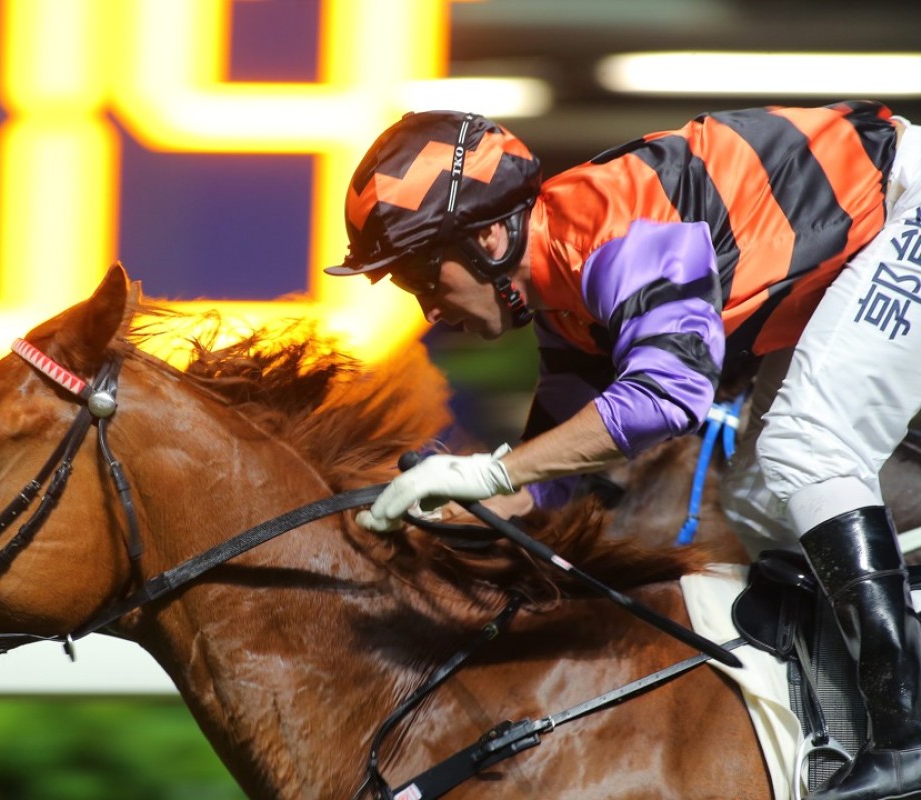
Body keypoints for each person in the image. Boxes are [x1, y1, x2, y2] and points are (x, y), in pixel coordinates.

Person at [326, 103, 921, 800]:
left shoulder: (613, 230)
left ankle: (906, 731)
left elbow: (670, 396)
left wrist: (489, 467)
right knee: (760, 496)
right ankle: (855, 715)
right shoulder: (560, 303)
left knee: (806, 446)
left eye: (425, 277)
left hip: (904, 204)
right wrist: (455, 511)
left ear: (488, 238)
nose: (428, 309)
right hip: (858, 250)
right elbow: (561, 476)